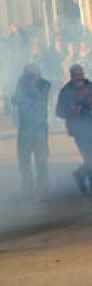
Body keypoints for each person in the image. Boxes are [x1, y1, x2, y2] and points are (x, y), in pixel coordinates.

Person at [11, 64, 50, 198]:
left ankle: (43, 190)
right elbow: (14, 100)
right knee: (24, 160)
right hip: (25, 128)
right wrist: (21, 85)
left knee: (41, 160)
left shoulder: (45, 84)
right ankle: (27, 190)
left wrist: (31, 86)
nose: (31, 77)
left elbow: (40, 99)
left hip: (40, 128)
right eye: (28, 74)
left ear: (39, 74)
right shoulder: (21, 84)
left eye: (33, 74)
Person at [55, 64, 92, 194]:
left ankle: (80, 175)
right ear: (71, 76)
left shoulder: (90, 86)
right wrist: (72, 110)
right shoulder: (66, 91)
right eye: (75, 75)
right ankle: (81, 176)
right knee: (89, 157)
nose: (78, 77)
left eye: (80, 74)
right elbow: (59, 112)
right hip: (79, 130)